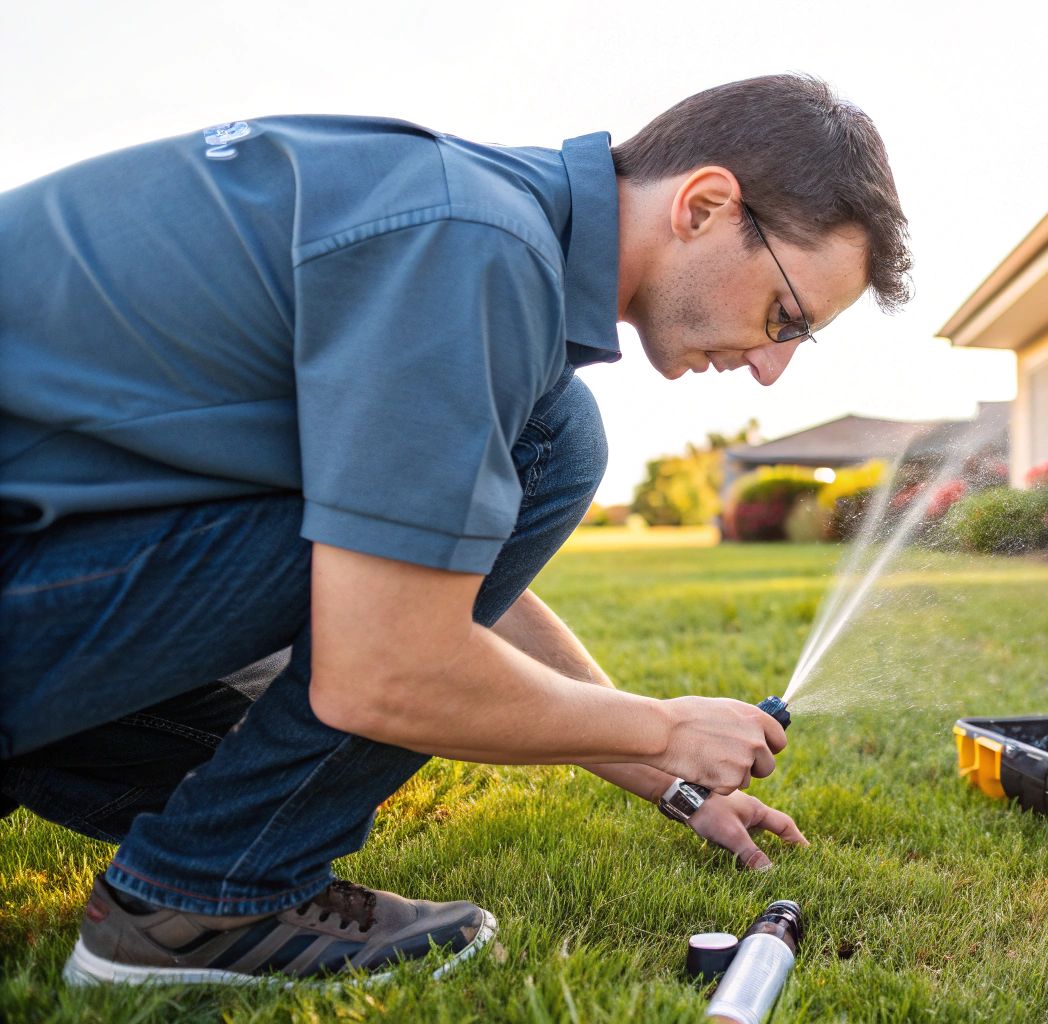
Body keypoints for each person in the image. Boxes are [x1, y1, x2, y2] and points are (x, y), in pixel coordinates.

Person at [0, 72, 912, 986]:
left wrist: (664, 775)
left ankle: (189, 850)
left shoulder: (466, 218)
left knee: (255, 784)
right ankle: (196, 907)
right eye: (785, 316)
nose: (771, 370)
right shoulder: (477, 249)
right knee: (554, 439)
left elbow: (424, 554)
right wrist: (661, 726)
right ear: (705, 205)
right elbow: (389, 664)